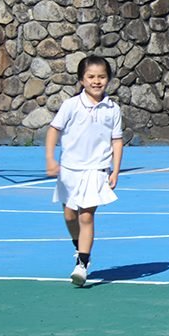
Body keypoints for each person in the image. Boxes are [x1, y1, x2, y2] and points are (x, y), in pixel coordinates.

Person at [45, 55, 124, 287]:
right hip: (69, 170)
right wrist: (50, 159)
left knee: (86, 215)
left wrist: (115, 170)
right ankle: (79, 246)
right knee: (70, 215)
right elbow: (53, 131)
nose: (96, 81)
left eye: (101, 77)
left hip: (96, 170)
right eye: (91, 77)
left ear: (108, 79)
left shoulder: (113, 109)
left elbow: (117, 141)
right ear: (81, 80)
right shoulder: (71, 106)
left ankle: (82, 263)